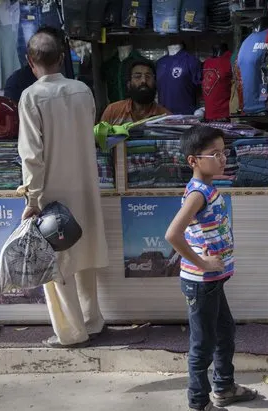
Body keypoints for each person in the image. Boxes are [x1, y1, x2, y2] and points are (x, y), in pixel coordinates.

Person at [17, 27, 108, 348]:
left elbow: (31, 155)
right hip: (85, 188)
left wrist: (32, 197)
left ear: (30, 61)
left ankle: (71, 332)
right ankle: (93, 320)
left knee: (58, 265)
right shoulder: (82, 90)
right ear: (61, 58)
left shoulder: (31, 97)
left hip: (53, 195)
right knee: (84, 258)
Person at [165, 126, 257, 411]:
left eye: (224, 152)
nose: (223, 158)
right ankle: (198, 406)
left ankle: (224, 387)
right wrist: (202, 263)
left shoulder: (208, 189)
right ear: (193, 160)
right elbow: (172, 235)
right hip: (200, 283)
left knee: (225, 332)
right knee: (202, 344)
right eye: (215, 154)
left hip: (213, 283)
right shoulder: (197, 195)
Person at [100, 57, 170, 124]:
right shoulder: (112, 111)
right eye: (138, 76)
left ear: (155, 82)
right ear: (129, 84)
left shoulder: (166, 117)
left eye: (148, 76)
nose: (143, 81)